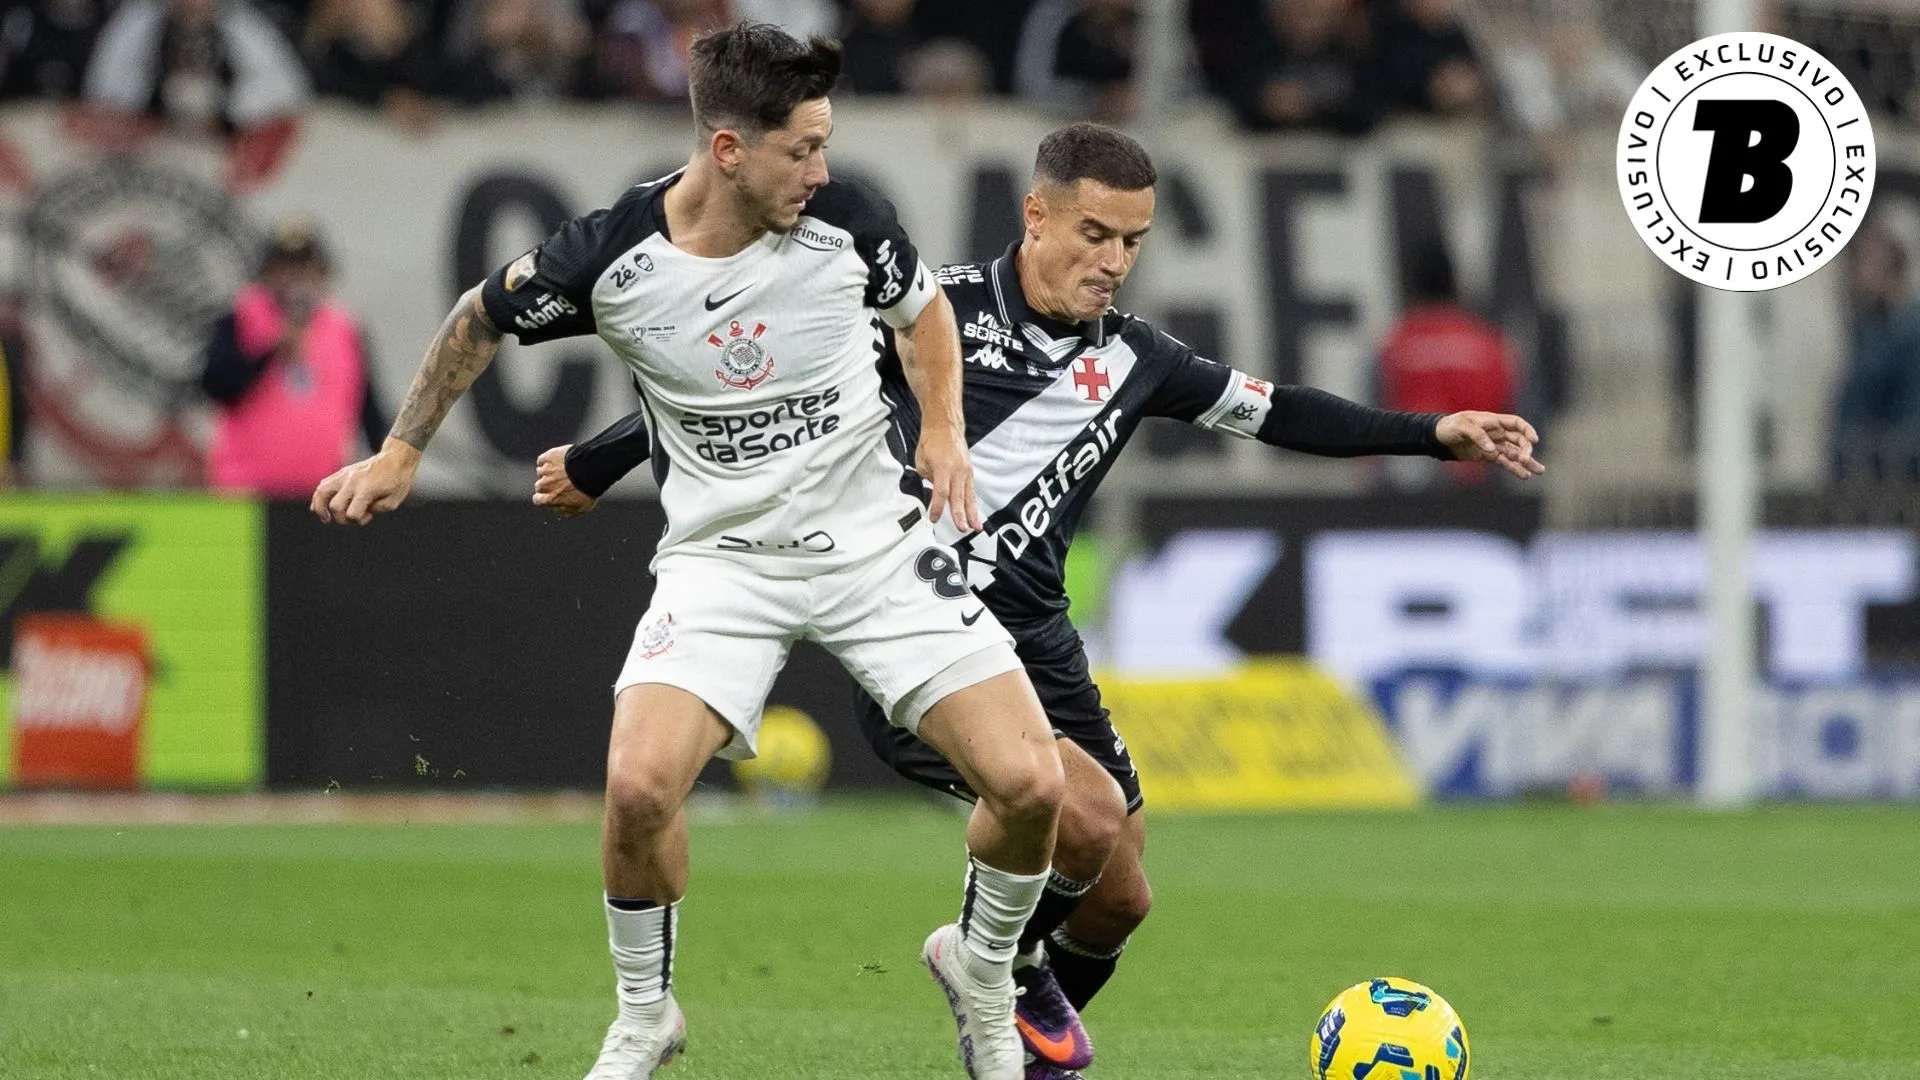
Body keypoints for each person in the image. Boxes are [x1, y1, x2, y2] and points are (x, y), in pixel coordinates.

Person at [534, 122, 1545, 1080]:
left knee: (1121, 897)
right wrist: (594, 456)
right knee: (1087, 816)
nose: (1111, 260)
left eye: (1133, 242)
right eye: (1094, 233)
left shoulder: (1140, 359)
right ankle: (984, 963)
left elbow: (1278, 413)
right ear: (1038, 217)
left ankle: (1013, 1006)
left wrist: (1429, 432)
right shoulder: (932, 313)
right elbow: (740, 390)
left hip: (1041, 643)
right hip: (922, 634)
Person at [310, 23, 1065, 1080]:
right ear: (726, 150)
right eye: (801, 148)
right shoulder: (612, 255)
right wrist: (400, 451)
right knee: (636, 788)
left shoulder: (848, 219)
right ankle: (644, 1014)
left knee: (1035, 786)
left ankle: (982, 971)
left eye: (825, 142)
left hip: (876, 548)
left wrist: (941, 429)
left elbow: (924, 313)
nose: (823, 168)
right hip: (724, 564)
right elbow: (477, 319)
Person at [202, 221, 384, 497]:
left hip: (322, 495)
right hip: (243, 494)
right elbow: (217, 387)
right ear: (267, 275)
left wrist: (387, 469)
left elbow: (368, 412)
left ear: (322, 274)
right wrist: (270, 353)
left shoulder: (346, 329)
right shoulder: (239, 318)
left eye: (305, 269)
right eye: (286, 270)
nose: (296, 280)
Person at [1376, 240, 1517, 486]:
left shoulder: (1393, 345)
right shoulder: (1489, 344)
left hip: (1412, 487)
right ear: (1455, 282)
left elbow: (1372, 423)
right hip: (1482, 481)